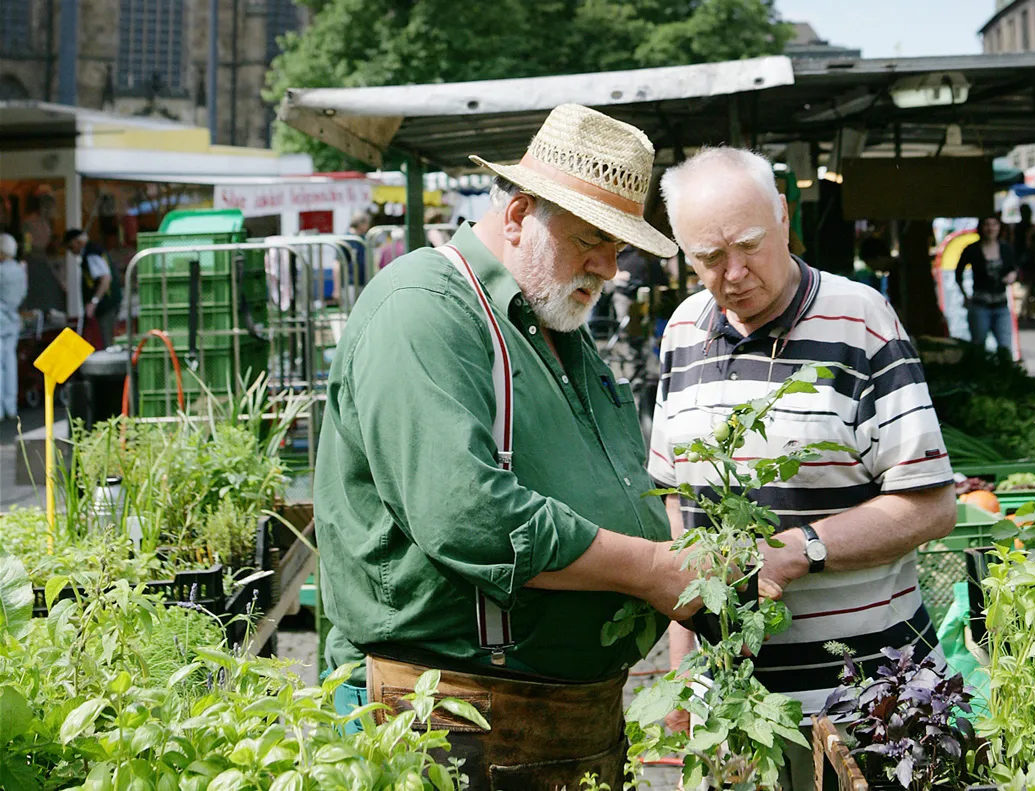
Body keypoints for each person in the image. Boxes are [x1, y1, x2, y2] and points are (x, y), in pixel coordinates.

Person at [314, 104, 706, 790]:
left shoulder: (552, 322)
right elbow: (468, 515)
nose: (609, 268)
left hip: (558, 721)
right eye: (592, 238)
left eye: (619, 248)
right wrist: (647, 567)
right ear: (520, 214)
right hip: (450, 718)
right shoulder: (422, 308)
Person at [650, 147, 957, 790]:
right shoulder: (682, 331)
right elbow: (680, 511)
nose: (733, 273)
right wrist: (684, 676)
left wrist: (800, 548)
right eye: (709, 257)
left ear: (784, 218)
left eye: (749, 245)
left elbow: (931, 504)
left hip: (871, 705)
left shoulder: (860, 319)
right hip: (736, 713)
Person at [955, 216, 1018, 354]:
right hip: (979, 304)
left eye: (994, 224)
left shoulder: (1006, 248)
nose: (991, 228)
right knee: (978, 346)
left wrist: (1012, 276)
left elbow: (1013, 268)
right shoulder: (972, 249)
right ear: (981, 227)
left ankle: (1004, 373)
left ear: (999, 226)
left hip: (1001, 304)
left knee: (1005, 347)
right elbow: (958, 273)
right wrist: (965, 296)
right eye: (987, 224)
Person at [64, 229, 122, 350]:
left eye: (71, 246)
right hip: (109, 303)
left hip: (106, 305)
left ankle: (109, 366)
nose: (71, 251)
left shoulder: (91, 254)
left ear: (77, 242)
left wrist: (94, 302)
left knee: (108, 343)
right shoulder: (94, 251)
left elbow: (105, 279)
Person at [0, 234, 27, 420]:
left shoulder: (1, 272)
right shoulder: (20, 270)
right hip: (13, 319)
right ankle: (11, 407)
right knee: (10, 363)